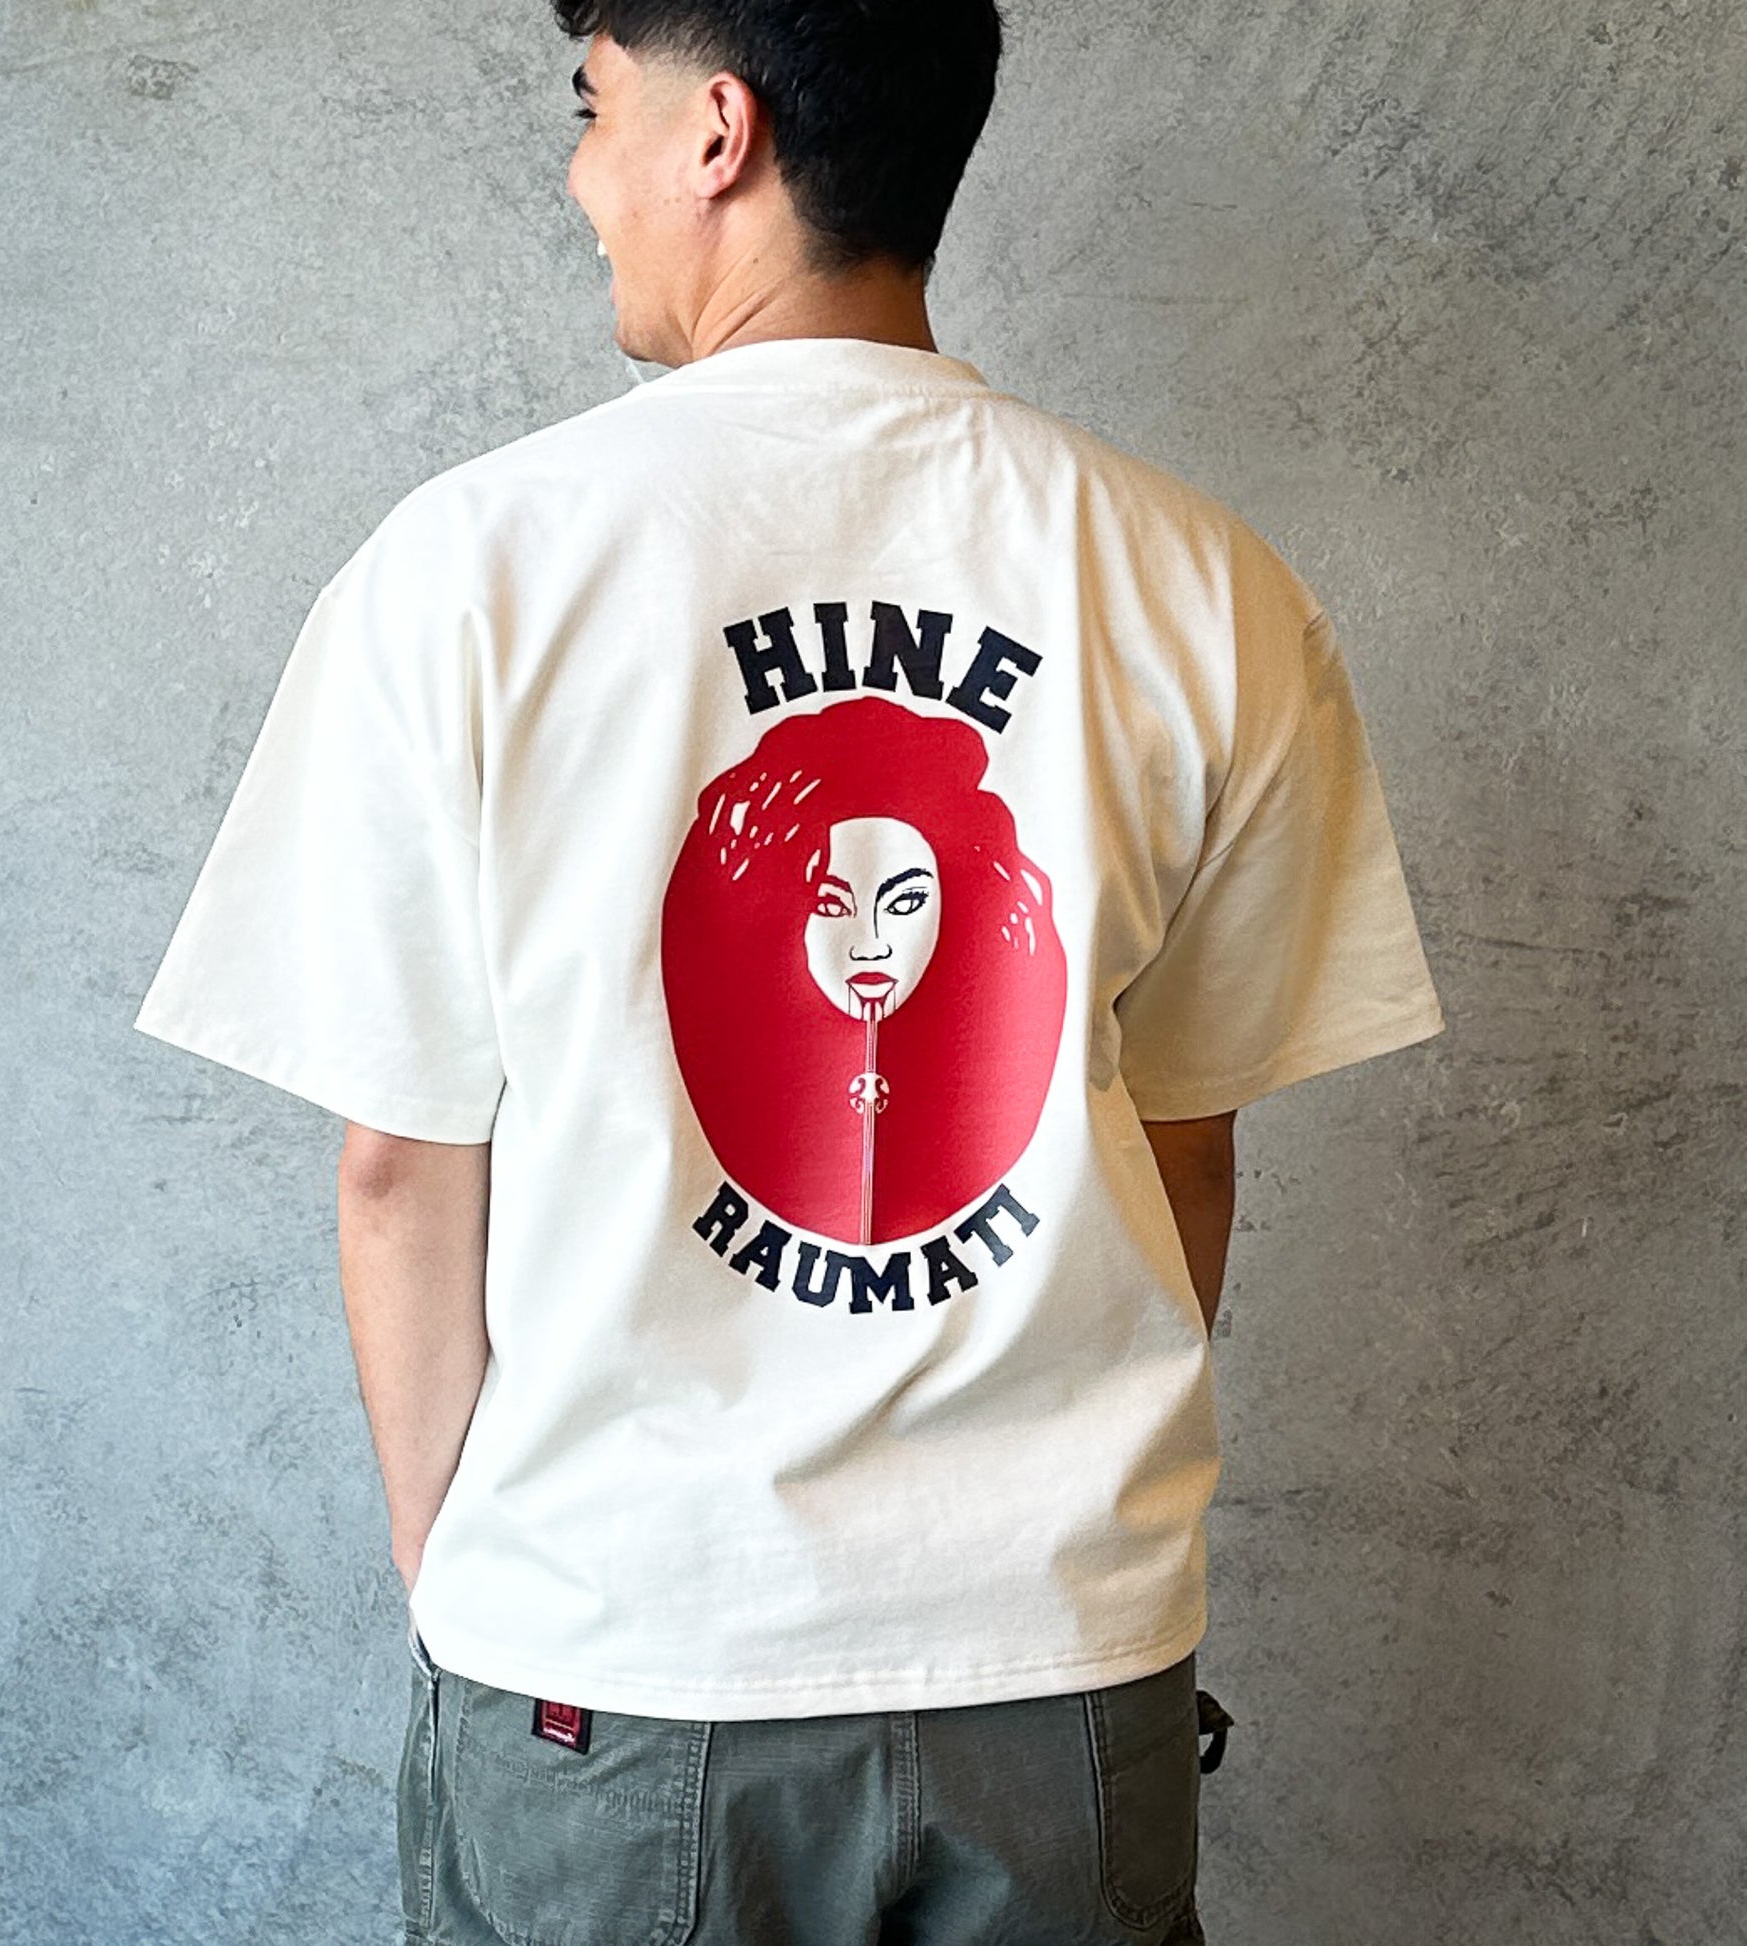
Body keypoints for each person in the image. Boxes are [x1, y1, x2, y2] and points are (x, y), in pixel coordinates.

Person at [130, 1, 1447, 1940]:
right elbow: (1185, 1144)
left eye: (594, 108)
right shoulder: (1202, 582)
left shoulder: (472, 566)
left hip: (618, 1650)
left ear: (715, 132)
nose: (581, 177)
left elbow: (402, 1165)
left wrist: (477, 1582)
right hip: (1054, 1655)